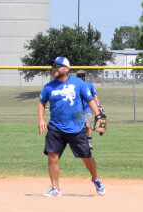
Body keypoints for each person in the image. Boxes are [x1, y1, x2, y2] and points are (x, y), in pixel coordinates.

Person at [37, 57, 106, 197]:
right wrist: (41, 119)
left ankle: (95, 179)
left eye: (57, 65)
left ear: (66, 68)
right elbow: (41, 103)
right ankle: (55, 188)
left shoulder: (78, 84)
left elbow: (90, 99)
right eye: (53, 66)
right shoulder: (48, 87)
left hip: (76, 128)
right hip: (55, 127)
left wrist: (98, 114)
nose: (54, 68)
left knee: (86, 157)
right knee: (52, 155)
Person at [75, 71, 100, 149]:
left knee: (88, 125)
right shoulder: (74, 86)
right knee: (79, 127)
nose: (80, 77)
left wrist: (98, 106)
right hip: (78, 108)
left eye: (82, 75)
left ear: (84, 77)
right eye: (79, 76)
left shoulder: (89, 85)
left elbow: (94, 96)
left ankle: (89, 143)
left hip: (88, 108)